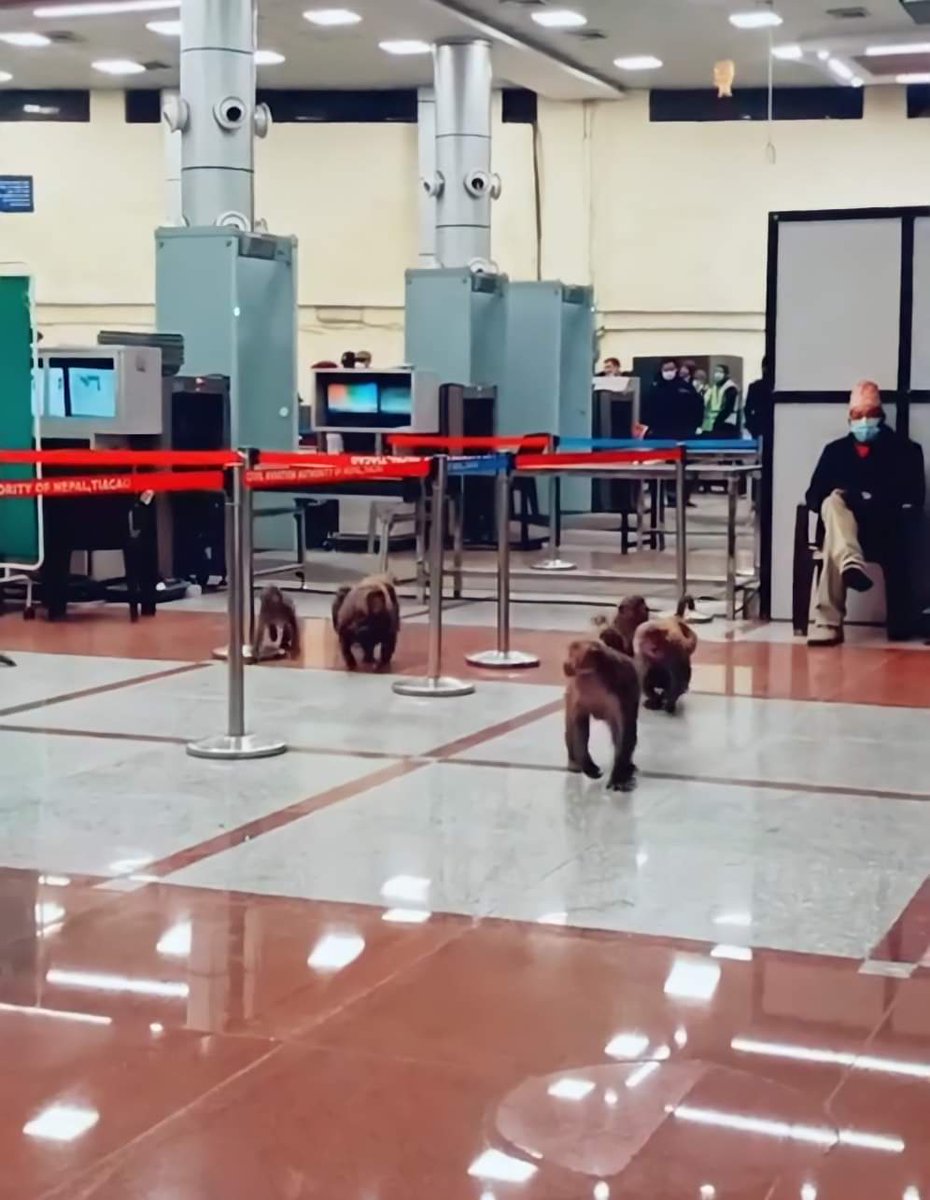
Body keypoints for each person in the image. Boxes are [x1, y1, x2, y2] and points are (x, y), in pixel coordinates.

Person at [805, 381, 925, 647]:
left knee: (835, 540)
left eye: (870, 413)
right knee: (833, 503)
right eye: (858, 415)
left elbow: (914, 497)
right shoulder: (835, 452)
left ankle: (827, 623)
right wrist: (843, 495)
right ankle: (850, 561)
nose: (864, 421)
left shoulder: (905, 451)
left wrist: (867, 499)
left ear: (881, 415)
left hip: (884, 531)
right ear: (849, 418)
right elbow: (812, 496)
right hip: (843, 528)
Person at [641, 359, 704, 441]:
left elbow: (697, 406)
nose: (668, 372)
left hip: (682, 431)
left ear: (676, 369)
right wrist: (648, 426)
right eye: (666, 370)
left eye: (671, 369)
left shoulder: (686, 387)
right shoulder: (655, 388)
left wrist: (695, 426)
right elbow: (647, 408)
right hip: (659, 431)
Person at [701, 363, 741, 436]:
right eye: (716, 371)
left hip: (727, 423)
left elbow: (728, 408)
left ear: (726, 374)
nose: (717, 374)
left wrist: (717, 421)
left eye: (720, 372)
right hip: (713, 423)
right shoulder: (714, 387)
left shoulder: (731, 388)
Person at [744, 357, 771, 440]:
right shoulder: (756, 387)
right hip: (761, 429)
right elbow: (747, 409)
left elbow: (747, 410)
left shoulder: (755, 387)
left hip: (759, 428)